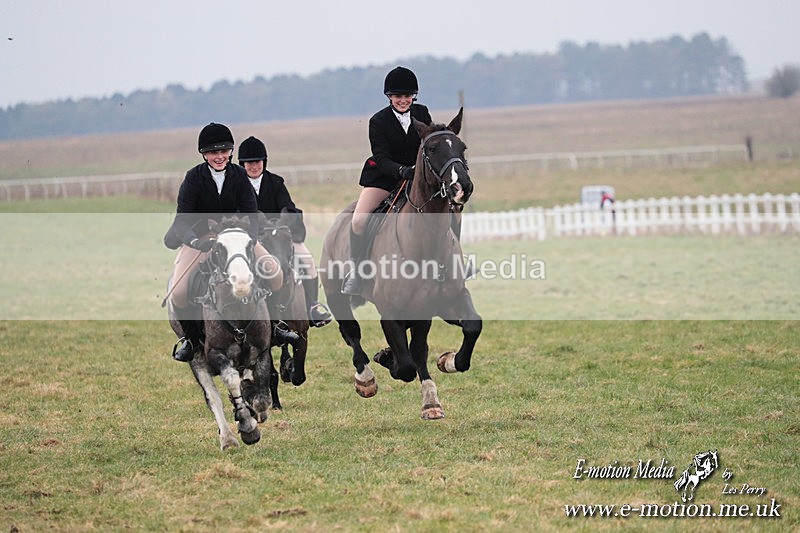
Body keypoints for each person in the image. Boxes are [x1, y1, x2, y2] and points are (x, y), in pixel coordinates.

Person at [164, 122, 285, 362]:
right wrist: (196, 242)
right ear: (204, 154)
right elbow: (182, 221)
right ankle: (190, 339)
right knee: (178, 292)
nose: (219, 156)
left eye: (224, 151)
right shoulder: (193, 178)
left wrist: (249, 240)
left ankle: (277, 325)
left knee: (275, 273)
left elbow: (252, 213)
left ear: (230, 152)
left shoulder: (239, 175)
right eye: (213, 152)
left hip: (237, 238)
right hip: (202, 240)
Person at [341, 66, 433, 295]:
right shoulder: (378, 121)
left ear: (414, 96)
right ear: (390, 97)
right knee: (359, 221)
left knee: (449, 209)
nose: (403, 100)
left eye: (407, 96)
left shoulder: (422, 113)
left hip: (418, 178)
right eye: (398, 96)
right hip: (384, 177)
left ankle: (455, 262)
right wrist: (401, 170)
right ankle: (358, 270)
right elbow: (381, 157)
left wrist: (420, 171)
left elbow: (429, 146)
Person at [237, 135, 332, 327]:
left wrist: (287, 222)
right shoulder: (236, 185)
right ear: (242, 164)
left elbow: (289, 207)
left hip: (278, 235)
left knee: (307, 260)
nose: (254, 166)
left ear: (264, 162)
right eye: (249, 163)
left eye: (257, 162)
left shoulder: (276, 182)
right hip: (252, 237)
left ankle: (312, 306)